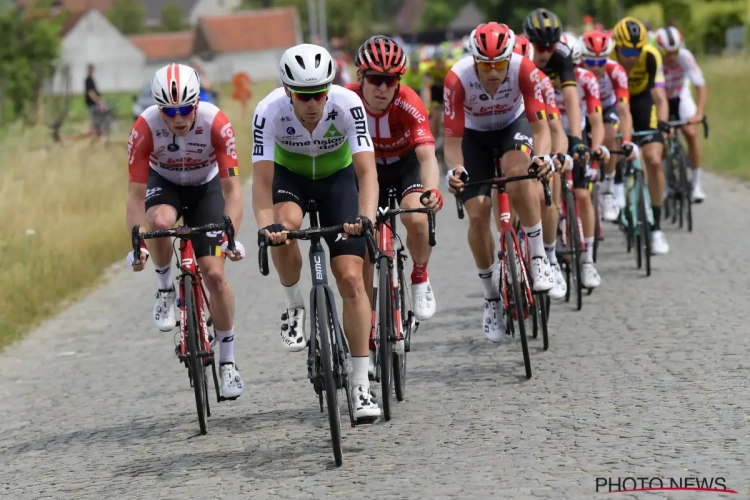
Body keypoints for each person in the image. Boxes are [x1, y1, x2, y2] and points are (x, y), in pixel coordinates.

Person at [251, 43, 381, 422]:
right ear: (289, 91)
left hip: (336, 180)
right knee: (284, 227)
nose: (313, 103)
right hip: (290, 179)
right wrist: (266, 227)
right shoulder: (268, 111)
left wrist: (366, 217)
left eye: (320, 94)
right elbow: (261, 184)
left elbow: (367, 173)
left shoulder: (347, 105)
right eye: (305, 96)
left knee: (352, 279)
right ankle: (294, 304)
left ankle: (360, 385)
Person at [126, 63, 246, 400]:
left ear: (197, 103)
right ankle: (165, 287)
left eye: (185, 109)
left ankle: (227, 361)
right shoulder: (145, 128)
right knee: (161, 224)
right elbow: (135, 197)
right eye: (170, 111)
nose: (178, 118)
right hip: (164, 184)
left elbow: (234, 192)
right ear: (159, 108)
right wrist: (137, 245)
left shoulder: (216, 123)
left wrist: (229, 236)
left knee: (215, 275)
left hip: (207, 187)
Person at [443, 23, 555, 343]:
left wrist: (543, 157)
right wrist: (455, 170)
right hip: (474, 138)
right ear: (474, 60)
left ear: (509, 58)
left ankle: (537, 256)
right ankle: (491, 297)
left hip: (512, 125)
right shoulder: (456, 78)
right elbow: (451, 142)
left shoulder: (524, 68)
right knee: (478, 214)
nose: (493, 72)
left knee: (518, 171)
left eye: (499, 64)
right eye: (486, 65)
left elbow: (541, 126)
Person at [345, 35, 443, 377]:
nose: (383, 88)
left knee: (416, 218)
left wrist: (431, 190)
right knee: (364, 251)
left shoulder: (409, 102)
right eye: (375, 79)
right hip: (366, 171)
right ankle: (367, 333)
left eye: (391, 80)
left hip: (403, 168)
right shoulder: (345, 99)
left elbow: (428, 155)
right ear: (360, 77)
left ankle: (419, 276)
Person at [523, 8, 588, 295]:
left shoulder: (561, 57)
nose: (545, 52)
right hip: (521, 115)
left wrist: (575, 139)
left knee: (554, 164)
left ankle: (552, 230)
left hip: (549, 115)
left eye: (549, 46)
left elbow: (571, 100)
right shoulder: (520, 57)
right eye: (540, 46)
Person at [508, 34, 573, 300]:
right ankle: (508, 251)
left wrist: (556, 156)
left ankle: (550, 256)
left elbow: (555, 127)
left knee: (549, 186)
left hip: (538, 142)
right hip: (510, 145)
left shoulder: (540, 83)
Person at [611, 17, 670, 255]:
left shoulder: (651, 56)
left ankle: (656, 228)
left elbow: (659, 96)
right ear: (617, 46)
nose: (632, 56)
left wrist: (663, 122)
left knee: (654, 161)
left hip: (643, 102)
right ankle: (616, 186)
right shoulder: (609, 58)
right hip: (616, 104)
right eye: (626, 51)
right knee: (613, 142)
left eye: (636, 50)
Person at [555, 33, 608, 289]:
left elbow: (596, 119)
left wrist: (595, 147)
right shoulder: (544, 79)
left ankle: (587, 261)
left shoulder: (586, 79)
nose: (570, 71)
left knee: (583, 196)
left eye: (575, 65)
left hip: (578, 137)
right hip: (552, 139)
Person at [580, 29, 635, 222]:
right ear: (582, 59)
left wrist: (627, 140)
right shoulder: (575, 70)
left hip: (606, 107)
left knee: (611, 134)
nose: (596, 67)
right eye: (591, 62)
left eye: (601, 62)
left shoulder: (616, 71)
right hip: (583, 109)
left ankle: (610, 189)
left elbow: (624, 110)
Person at [654, 26, 708, 202]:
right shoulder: (654, 59)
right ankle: (664, 184)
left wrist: (699, 114)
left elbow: (700, 85)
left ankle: (696, 185)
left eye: (674, 52)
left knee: (691, 133)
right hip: (660, 99)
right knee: (659, 139)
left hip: (679, 94)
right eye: (667, 52)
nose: (671, 56)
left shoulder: (685, 56)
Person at [422, 48, 453, 140]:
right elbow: (427, 87)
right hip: (435, 91)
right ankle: (432, 138)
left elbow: (454, 86)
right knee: (434, 115)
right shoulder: (429, 68)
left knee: (450, 116)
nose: (440, 64)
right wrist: (427, 103)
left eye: (441, 62)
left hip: (446, 90)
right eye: (437, 62)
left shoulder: (450, 67)